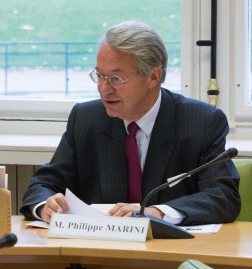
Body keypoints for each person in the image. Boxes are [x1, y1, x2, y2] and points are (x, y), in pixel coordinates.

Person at [20, 20, 240, 226]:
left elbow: (223, 197)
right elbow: (43, 186)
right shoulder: (86, 118)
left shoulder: (201, 122)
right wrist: (45, 206)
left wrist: (158, 213)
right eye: (100, 76)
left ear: (153, 77)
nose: (104, 89)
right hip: (98, 253)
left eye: (116, 78)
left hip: (169, 253)